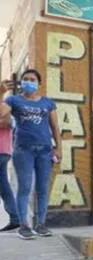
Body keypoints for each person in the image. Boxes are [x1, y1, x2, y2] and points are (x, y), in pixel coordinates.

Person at [0, 69, 61, 240]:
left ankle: (40, 224)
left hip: (45, 150)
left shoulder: (48, 103)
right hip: (23, 150)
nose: (29, 82)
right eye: (25, 79)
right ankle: (24, 226)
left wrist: (58, 148)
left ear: (38, 83)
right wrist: (1, 92)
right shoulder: (13, 100)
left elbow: (55, 127)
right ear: (21, 83)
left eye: (32, 79)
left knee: (42, 189)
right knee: (25, 188)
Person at [0, 81, 19, 232]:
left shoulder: (6, 106)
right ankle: (15, 218)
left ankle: (15, 218)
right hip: (4, 151)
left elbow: (6, 122)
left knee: (4, 186)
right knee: (4, 186)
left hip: (2, 151)